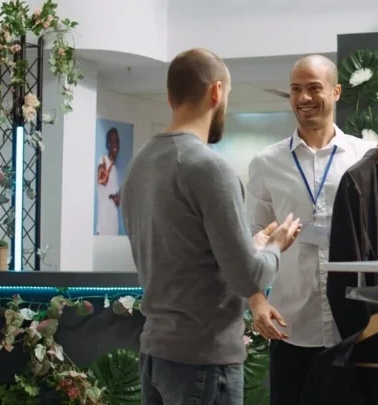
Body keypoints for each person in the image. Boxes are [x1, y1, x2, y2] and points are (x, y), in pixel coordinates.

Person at [245, 54, 378, 405]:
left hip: (360, 325)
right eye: (296, 89)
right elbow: (250, 241)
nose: (304, 98)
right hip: (292, 325)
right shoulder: (266, 163)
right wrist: (256, 301)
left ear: (335, 92)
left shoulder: (367, 157)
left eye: (314, 88)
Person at [120, 48, 301, 405]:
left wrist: (250, 243)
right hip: (202, 360)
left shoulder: (139, 164)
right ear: (216, 92)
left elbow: (187, 253)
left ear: (171, 96)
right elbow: (248, 278)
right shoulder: (209, 168)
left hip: (156, 355)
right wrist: (275, 245)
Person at [96, 127, 121, 235]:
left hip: (113, 225)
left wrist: (116, 198)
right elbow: (102, 180)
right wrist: (111, 162)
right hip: (103, 225)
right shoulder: (102, 160)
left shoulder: (115, 169)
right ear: (108, 144)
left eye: (117, 142)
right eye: (112, 141)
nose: (115, 145)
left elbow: (117, 201)